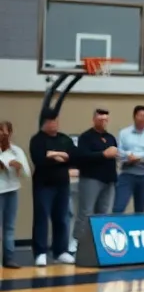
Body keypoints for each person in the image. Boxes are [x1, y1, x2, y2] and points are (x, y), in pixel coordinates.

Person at [29, 112, 75, 267]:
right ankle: (40, 252)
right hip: (44, 185)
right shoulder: (37, 140)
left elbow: (73, 157)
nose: (53, 124)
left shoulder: (64, 139)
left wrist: (53, 154)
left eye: (55, 121)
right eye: (50, 121)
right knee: (42, 218)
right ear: (44, 123)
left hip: (62, 184)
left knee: (62, 218)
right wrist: (61, 157)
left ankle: (60, 251)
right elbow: (39, 160)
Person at [73, 108, 119, 247]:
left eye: (105, 119)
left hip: (108, 180)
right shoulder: (86, 137)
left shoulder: (110, 138)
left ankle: (100, 243)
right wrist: (103, 154)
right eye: (100, 119)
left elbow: (114, 156)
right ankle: (78, 243)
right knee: (86, 212)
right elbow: (82, 156)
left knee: (104, 213)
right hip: (91, 179)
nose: (103, 122)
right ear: (94, 119)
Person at [113, 105, 144, 214]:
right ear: (134, 117)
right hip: (127, 174)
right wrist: (129, 156)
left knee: (140, 210)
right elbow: (118, 152)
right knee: (118, 208)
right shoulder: (124, 133)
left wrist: (140, 157)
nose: (142, 118)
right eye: (139, 115)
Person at [0, 122, 30, 269]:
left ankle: (9, 258)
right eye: (0, 131)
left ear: (10, 133)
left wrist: (19, 166)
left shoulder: (16, 151)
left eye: (5, 132)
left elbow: (26, 173)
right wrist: (7, 162)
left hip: (12, 190)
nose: (3, 134)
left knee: (9, 227)